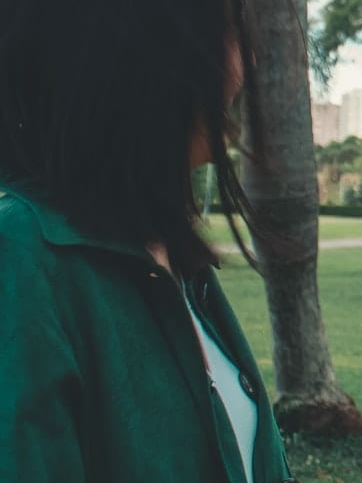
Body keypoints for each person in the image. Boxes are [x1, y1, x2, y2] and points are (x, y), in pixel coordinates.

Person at [0, 0, 295, 481]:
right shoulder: (20, 262)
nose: (250, 63)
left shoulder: (168, 251)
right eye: (227, 32)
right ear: (138, 51)